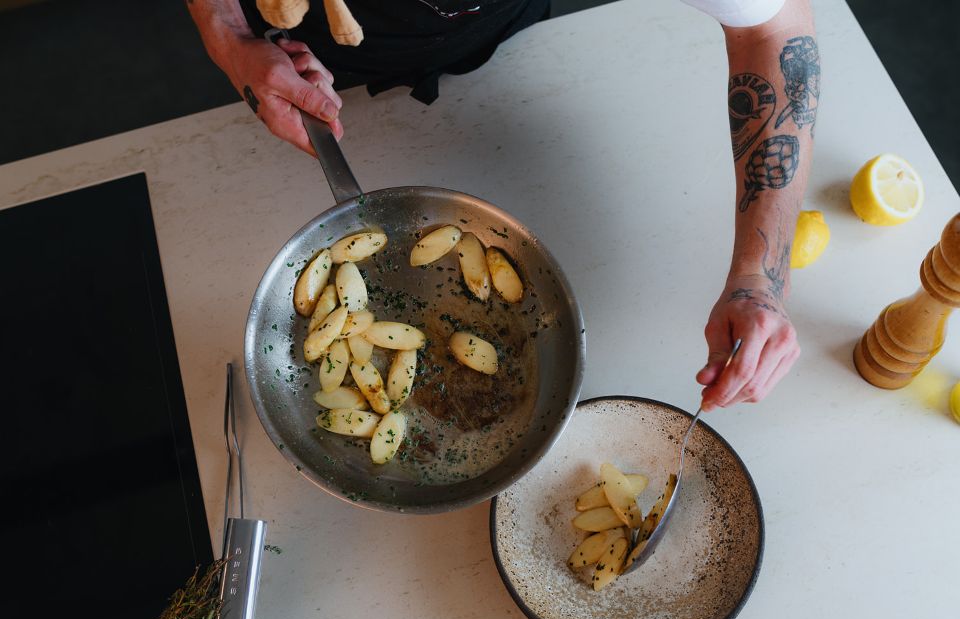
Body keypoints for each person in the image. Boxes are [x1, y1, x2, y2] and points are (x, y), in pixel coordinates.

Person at [188, 0, 816, 411]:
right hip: (313, 47)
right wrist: (233, 39)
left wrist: (760, 281)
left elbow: (772, 30)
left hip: (497, 42)